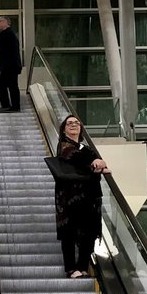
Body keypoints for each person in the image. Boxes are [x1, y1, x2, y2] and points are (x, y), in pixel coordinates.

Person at [51, 115, 108, 278]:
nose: (74, 125)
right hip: (69, 198)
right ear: (64, 129)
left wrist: (98, 163)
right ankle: (71, 268)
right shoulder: (64, 146)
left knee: (89, 232)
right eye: (69, 123)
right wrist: (96, 162)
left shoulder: (84, 147)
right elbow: (78, 158)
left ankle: (82, 267)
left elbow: (95, 162)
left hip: (89, 197)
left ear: (81, 128)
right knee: (69, 232)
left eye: (77, 123)